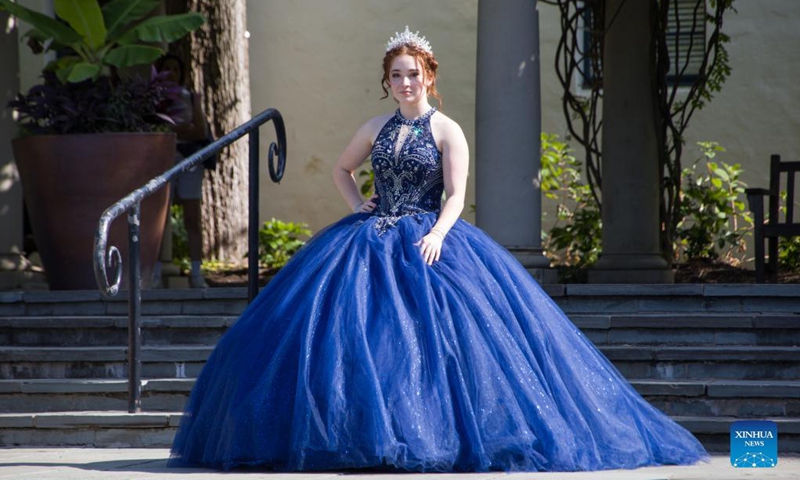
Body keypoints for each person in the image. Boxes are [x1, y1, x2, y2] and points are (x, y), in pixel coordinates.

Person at [168, 27, 708, 472]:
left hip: (429, 237)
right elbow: (341, 168)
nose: (405, 82)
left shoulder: (447, 130)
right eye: (396, 75)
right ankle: (354, 435)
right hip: (369, 234)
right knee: (347, 334)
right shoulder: (375, 125)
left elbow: (456, 195)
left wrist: (437, 234)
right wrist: (357, 203)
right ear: (387, 81)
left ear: (429, 76)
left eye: (413, 73)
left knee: (431, 343)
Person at [153, 54, 209, 289]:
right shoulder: (155, 98)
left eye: (176, 69)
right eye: (167, 69)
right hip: (164, 160)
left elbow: (200, 132)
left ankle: (196, 272)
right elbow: (160, 129)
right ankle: (154, 272)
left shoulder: (189, 96)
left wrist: (182, 128)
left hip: (189, 161)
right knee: (157, 218)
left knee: (192, 217)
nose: (172, 74)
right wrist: (179, 130)